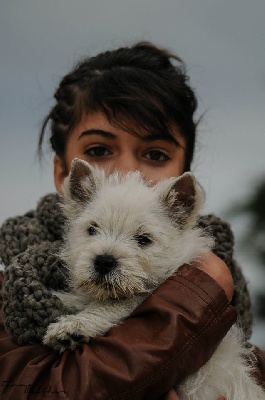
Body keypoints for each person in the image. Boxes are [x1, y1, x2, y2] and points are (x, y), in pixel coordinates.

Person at [0, 41, 264, 400]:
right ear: (66, 176)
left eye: (155, 154)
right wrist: (201, 292)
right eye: (99, 151)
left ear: (182, 191)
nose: (127, 171)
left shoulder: (236, 311)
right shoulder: (8, 287)